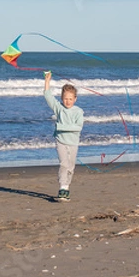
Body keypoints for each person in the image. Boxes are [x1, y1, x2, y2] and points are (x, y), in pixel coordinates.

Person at [44, 71, 84, 202]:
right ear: (62, 98)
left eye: (70, 99)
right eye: (65, 98)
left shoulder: (78, 111)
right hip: (60, 141)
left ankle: (67, 187)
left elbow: (78, 127)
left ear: (75, 99)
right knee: (64, 164)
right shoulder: (59, 108)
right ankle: (62, 188)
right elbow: (48, 96)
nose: (68, 101)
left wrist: (61, 127)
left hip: (73, 142)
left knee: (71, 166)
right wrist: (47, 81)